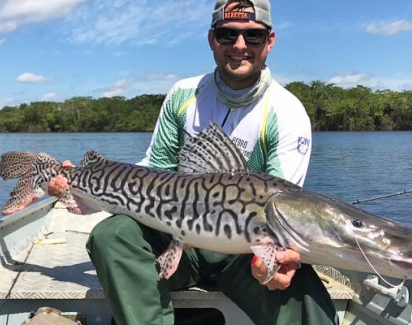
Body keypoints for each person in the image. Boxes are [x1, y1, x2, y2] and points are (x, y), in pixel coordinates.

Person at [49, 0, 338, 324]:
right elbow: (155, 169)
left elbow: (281, 210)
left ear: (269, 41)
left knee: (308, 298)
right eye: (228, 35)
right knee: (111, 236)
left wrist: (275, 262)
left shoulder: (286, 111)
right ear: (212, 39)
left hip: (245, 254)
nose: (240, 46)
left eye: (253, 36)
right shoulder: (183, 94)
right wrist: (83, 184)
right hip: (174, 233)